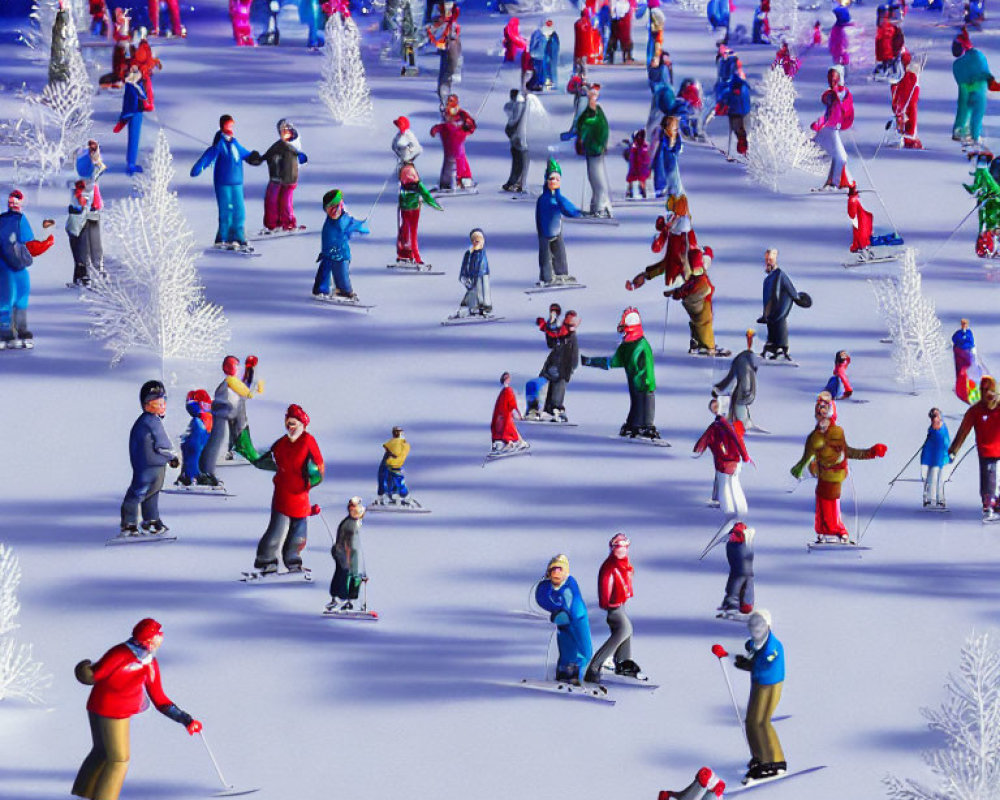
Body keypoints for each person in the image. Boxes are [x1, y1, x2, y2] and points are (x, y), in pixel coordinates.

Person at [72, 619, 200, 800]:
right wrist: (83, 669)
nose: (161, 638)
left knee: (101, 752)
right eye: (158, 635)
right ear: (148, 640)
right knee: (118, 759)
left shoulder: (148, 663)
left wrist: (185, 719)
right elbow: (94, 675)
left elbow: (160, 699)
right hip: (111, 713)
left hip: (102, 708)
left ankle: (83, 792)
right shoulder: (120, 654)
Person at [790, 392, 887, 542]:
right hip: (823, 476)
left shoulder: (836, 433)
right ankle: (823, 532)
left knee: (832, 503)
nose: (822, 420)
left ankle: (839, 531)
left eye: (825, 416)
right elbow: (807, 456)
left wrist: (871, 452)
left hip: (835, 476)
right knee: (822, 504)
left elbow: (848, 452)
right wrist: (800, 467)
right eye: (819, 416)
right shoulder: (814, 437)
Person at [251, 405, 325, 574]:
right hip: (283, 494)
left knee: (298, 534)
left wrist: (313, 480)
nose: (290, 427)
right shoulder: (281, 443)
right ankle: (266, 561)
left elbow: (319, 467)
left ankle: (293, 562)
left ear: (302, 424)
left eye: (294, 424)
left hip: (300, 496)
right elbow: (267, 459)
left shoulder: (308, 441)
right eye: (288, 423)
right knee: (276, 530)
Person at [581, 307, 659, 439]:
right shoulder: (626, 346)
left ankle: (646, 425)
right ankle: (634, 425)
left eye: (623, 329)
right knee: (636, 402)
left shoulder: (641, 345)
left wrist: (647, 382)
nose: (621, 334)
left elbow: (646, 365)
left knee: (645, 401)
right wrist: (591, 362)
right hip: (634, 381)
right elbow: (613, 362)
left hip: (644, 382)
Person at [190, 115, 259, 251]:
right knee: (226, 209)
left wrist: (254, 157)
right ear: (223, 126)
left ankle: (238, 236)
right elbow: (209, 155)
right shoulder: (219, 144)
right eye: (229, 125)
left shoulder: (234, 143)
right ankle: (223, 237)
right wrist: (199, 167)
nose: (231, 128)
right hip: (223, 182)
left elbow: (244, 153)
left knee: (239, 210)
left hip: (237, 182)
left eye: (232, 125)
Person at [120, 381, 179, 535]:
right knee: (138, 492)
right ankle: (129, 523)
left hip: (153, 464)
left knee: (152, 493)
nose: (161, 406)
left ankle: (151, 520)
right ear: (146, 405)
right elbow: (162, 443)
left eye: (162, 402)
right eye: (156, 404)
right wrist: (172, 456)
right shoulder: (151, 421)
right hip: (148, 466)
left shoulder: (148, 421)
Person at [733, 610, 785, 782]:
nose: (755, 631)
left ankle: (776, 761)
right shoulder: (756, 643)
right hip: (759, 682)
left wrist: (748, 664)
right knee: (751, 722)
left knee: (762, 722)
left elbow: (764, 662)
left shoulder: (772, 647)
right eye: (753, 627)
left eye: (759, 627)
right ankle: (760, 757)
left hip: (770, 684)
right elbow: (752, 648)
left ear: (767, 627)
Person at [0, 190, 55, 348]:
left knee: (11, 298)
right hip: (12, 266)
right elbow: (31, 246)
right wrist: (48, 241)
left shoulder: (8, 219)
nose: (14, 204)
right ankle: (12, 332)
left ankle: (11, 332)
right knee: (14, 298)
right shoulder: (18, 220)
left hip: (8, 267)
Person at [585, 533, 642, 683]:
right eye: (618, 547)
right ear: (612, 548)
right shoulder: (610, 566)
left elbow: (625, 581)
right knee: (624, 629)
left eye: (624, 547)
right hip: (614, 606)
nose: (621, 550)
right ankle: (594, 668)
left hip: (621, 603)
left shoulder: (624, 563)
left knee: (626, 630)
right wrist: (608, 603)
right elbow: (605, 586)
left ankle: (623, 662)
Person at [199, 355, 263, 485]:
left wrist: (250, 370)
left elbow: (244, 387)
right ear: (229, 367)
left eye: (239, 366)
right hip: (222, 415)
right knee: (216, 441)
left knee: (219, 440)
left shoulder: (232, 382)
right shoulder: (231, 381)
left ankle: (207, 469)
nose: (238, 368)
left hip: (227, 414)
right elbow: (247, 392)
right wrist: (253, 375)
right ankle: (206, 472)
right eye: (236, 365)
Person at [535, 554, 593, 685]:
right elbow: (541, 599)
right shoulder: (545, 586)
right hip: (563, 621)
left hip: (578, 620)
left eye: (560, 569)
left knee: (584, 650)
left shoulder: (570, 583)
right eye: (553, 569)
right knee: (566, 647)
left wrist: (564, 612)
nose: (556, 573)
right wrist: (556, 611)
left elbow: (572, 602)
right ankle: (564, 672)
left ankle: (575, 671)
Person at [948, 375, 1000, 520]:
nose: (986, 394)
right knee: (989, 479)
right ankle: (988, 506)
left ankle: (997, 505)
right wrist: (953, 450)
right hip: (986, 451)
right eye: (983, 391)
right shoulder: (975, 411)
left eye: (989, 391)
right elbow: (963, 431)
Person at [247, 119, 308, 233]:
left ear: (292, 131)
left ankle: (288, 224)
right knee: (271, 201)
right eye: (282, 131)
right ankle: (272, 225)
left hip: (289, 179)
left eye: (287, 131)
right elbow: (265, 156)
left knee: (285, 202)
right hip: (275, 178)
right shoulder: (277, 146)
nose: (284, 134)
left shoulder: (294, 147)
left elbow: (302, 159)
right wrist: (255, 158)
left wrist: (300, 157)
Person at [694, 397, 751, 518]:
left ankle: (732, 511)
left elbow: (738, 440)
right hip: (727, 462)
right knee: (729, 484)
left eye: (715, 407)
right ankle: (736, 510)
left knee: (728, 485)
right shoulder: (719, 425)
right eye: (712, 409)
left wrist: (745, 457)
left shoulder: (725, 425)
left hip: (730, 461)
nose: (714, 411)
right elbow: (704, 440)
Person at [668, 246, 729, 356]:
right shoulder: (699, 279)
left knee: (699, 323)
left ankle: (698, 343)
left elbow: (685, 288)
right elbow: (689, 289)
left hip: (701, 302)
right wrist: (677, 292)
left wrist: (676, 293)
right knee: (704, 323)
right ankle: (707, 346)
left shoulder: (696, 278)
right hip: (700, 302)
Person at [313, 189, 370, 300]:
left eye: (336, 206)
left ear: (341, 205)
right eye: (330, 208)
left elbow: (357, 226)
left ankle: (344, 291)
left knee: (341, 274)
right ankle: (321, 290)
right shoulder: (330, 220)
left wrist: (363, 226)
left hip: (340, 254)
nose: (333, 211)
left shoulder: (344, 220)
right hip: (327, 253)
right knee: (323, 272)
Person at [535, 159, 582, 286]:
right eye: (551, 178)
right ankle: (547, 277)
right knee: (546, 256)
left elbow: (567, 208)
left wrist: (577, 212)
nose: (554, 181)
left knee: (560, 253)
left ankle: (561, 274)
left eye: (557, 179)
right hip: (545, 232)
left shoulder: (558, 197)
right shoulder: (544, 199)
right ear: (546, 180)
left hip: (557, 230)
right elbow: (563, 207)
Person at [758, 248, 809, 361]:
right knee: (772, 330)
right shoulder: (768, 278)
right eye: (766, 259)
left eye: (770, 259)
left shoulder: (780, 275)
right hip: (770, 312)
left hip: (778, 310)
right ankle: (774, 350)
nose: (768, 262)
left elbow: (790, 289)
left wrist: (798, 298)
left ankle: (782, 350)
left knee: (780, 328)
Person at [951, 28, 1000, 146]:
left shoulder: (956, 64)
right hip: (979, 85)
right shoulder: (978, 55)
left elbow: (959, 79)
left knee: (964, 109)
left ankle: (959, 130)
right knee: (978, 110)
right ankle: (975, 135)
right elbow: (984, 71)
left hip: (964, 88)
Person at [811, 66, 854, 191]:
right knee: (840, 157)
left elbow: (846, 108)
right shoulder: (831, 95)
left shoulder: (843, 93)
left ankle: (833, 182)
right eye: (830, 78)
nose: (831, 81)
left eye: (834, 78)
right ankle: (833, 184)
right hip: (829, 130)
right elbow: (828, 114)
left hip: (832, 129)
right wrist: (819, 123)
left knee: (839, 157)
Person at [573, 84, 613, 218]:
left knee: (598, 178)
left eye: (594, 97)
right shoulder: (589, 114)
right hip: (592, 150)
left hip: (596, 150)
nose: (592, 99)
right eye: (591, 96)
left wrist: (602, 143)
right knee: (594, 177)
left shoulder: (597, 113)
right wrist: (580, 139)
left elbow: (601, 128)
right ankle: (597, 205)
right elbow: (582, 126)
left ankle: (601, 206)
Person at [70, 141, 106, 286]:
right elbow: (99, 167)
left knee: (88, 240)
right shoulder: (84, 180)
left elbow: (99, 166)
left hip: (89, 210)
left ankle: (90, 270)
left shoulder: (89, 178)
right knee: (86, 241)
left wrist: (94, 151)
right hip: (86, 211)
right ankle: (88, 271)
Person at [536, 308, 580, 421]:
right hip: (554, 368)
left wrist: (571, 368)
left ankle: (556, 410)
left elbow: (574, 356)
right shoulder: (562, 335)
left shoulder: (571, 338)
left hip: (562, 370)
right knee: (547, 388)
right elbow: (552, 343)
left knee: (557, 391)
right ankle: (546, 408)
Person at [396, 164, 442, 265]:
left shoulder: (403, 185)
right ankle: (415, 257)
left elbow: (402, 198)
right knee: (412, 233)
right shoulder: (417, 184)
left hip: (405, 210)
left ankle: (405, 254)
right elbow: (426, 195)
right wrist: (435, 205)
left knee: (404, 230)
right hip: (414, 210)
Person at [429, 95, 477, 191]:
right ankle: (445, 181)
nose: (448, 104)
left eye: (451, 101)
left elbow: (470, 125)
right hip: (448, 141)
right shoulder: (446, 113)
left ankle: (461, 179)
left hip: (457, 141)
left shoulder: (461, 114)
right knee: (448, 161)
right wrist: (436, 129)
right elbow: (444, 125)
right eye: (448, 102)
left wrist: (465, 127)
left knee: (459, 159)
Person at [328, 497, 366, 611]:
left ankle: (348, 600)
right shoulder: (350, 525)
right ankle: (341, 600)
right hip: (345, 556)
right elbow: (349, 545)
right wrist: (349, 559)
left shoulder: (355, 523)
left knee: (352, 577)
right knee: (346, 577)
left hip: (350, 556)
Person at [714, 330, 759, 427]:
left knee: (739, 405)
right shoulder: (749, 363)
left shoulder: (740, 361)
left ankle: (742, 424)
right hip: (747, 392)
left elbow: (730, 378)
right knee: (737, 402)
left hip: (744, 393)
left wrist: (719, 388)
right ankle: (739, 422)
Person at [112, 66, 148, 176]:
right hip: (134, 114)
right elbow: (136, 99)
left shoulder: (135, 84)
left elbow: (144, 96)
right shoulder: (131, 85)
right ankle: (130, 164)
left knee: (135, 139)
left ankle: (131, 162)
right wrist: (127, 115)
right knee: (133, 139)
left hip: (137, 113)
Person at [718, 521, 754, 617]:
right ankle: (732, 604)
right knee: (740, 578)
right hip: (741, 560)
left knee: (737, 578)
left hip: (739, 561)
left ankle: (732, 604)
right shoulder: (744, 540)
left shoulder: (733, 542)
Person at [178, 389, 212, 487]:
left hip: (200, 435)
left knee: (195, 454)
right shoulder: (197, 421)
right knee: (193, 454)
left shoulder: (203, 420)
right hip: (194, 441)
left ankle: (190, 476)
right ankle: (190, 476)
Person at [921, 408, 952, 509]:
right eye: (934, 416)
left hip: (941, 458)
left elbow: (947, 442)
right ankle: (930, 499)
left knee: (940, 479)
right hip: (932, 458)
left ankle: (940, 499)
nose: (936, 419)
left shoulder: (942, 429)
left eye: (937, 416)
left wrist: (951, 454)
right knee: (931, 477)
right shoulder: (932, 431)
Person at [375, 427, 414, 505]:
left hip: (392, 465)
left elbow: (393, 452)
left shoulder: (396, 443)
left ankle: (392, 496)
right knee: (393, 480)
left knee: (391, 479)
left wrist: (390, 453)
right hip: (395, 465)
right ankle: (396, 496)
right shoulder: (404, 444)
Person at [457, 228, 491, 316]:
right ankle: (475, 307)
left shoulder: (481, 253)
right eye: (475, 240)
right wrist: (465, 276)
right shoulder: (470, 253)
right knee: (475, 290)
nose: (478, 242)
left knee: (484, 290)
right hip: (475, 275)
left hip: (483, 274)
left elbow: (483, 264)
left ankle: (485, 307)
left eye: (480, 239)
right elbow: (466, 265)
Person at [491, 372, 528, 452]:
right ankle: (519, 443)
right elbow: (506, 405)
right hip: (504, 416)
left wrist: (517, 414)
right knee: (510, 430)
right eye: (507, 378)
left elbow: (512, 404)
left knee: (510, 430)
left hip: (506, 416)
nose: (508, 379)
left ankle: (516, 443)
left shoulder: (507, 391)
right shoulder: (505, 391)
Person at [502, 89, 530, 194]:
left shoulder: (519, 105)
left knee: (520, 160)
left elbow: (514, 120)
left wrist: (508, 128)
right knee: (521, 159)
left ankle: (516, 183)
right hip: (521, 137)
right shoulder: (525, 104)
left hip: (519, 137)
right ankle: (517, 182)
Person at [651, 115, 683, 199]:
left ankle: (669, 191)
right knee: (666, 175)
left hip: (667, 159)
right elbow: (677, 148)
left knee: (669, 175)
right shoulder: (663, 134)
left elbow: (678, 147)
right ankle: (665, 190)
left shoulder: (672, 135)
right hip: (666, 159)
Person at [952, 318, 984, 404]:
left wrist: (971, 349)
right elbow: (954, 339)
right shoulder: (958, 333)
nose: (964, 326)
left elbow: (971, 342)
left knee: (969, 369)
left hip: (967, 353)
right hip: (959, 353)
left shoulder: (969, 333)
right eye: (963, 324)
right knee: (961, 370)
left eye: (965, 324)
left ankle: (972, 387)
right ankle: (961, 386)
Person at [624, 128, 651, 199]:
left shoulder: (635, 146)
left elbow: (630, 154)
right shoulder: (645, 146)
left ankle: (631, 189)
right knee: (641, 178)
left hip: (636, 165)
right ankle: (640, 188)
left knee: (633, 177)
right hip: (642, 166)